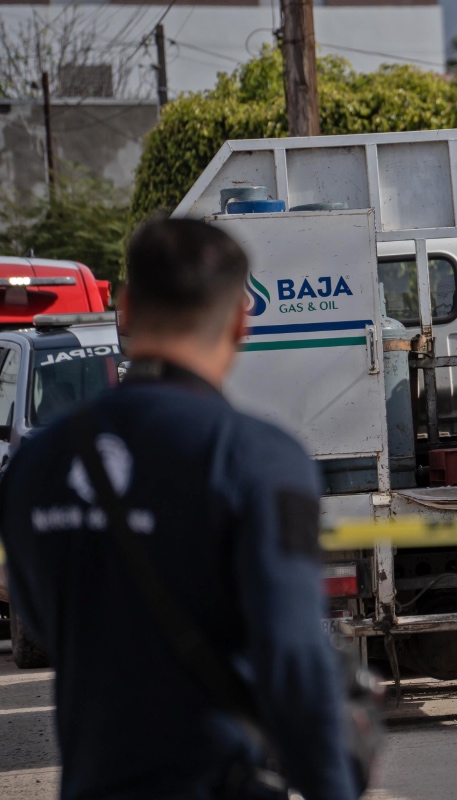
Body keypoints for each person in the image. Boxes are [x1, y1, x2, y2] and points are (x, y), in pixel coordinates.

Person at [0, 218, 359, 799]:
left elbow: (41, 617)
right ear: (241, 320)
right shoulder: (260, 459)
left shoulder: (36, 465)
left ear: (125, 306)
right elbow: (293, 658)